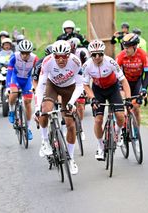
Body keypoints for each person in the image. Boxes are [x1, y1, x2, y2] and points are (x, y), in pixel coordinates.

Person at [35, 40, 84, 175]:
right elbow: (40, 86)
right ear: (53, 55)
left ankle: (71, 158)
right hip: (53, 86)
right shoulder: (47, 62)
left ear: (69, 55)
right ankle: (45, 141)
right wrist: (38, 106)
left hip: (70, 88)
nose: (61, 59)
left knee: (71, 125)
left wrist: (72, 102)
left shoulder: (76, 62)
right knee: (45, 111)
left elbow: (80, 86)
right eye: (57, 56)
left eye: (64, 56)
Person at [83, 40, 131, 160]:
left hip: (113, 89)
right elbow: (85, 85)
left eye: (100, 54)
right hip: (98, 91)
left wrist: (128, 98)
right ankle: (100, 146)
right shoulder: (87, 65)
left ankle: (118, 132)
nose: (97, 57)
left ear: (103, 53)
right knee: (98, 120)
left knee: (120, 116)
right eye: (94, 54)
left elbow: (123, 81)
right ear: (90, 54)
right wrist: (92, 98)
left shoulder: (110, 62)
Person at [6, 40, 38, 139]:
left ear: (30, 52)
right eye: (22, 53)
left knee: (28, 102)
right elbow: (9, 72)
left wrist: (35, 86)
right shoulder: (14, 57)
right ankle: (11, 111)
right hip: (15, 79)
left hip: (27, 80)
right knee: (14, 93)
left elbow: (38, 73)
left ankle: (27, 128)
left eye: (27, 53)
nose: (24, 55)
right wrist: (8, 86)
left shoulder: (34, 58)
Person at [116, 33, 148, 126]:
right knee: (124, 104)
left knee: (136, 108)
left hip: (137, 82)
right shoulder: (121, 56)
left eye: (127, 47)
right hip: (124, 81)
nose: (125, 49)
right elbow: (114, 73)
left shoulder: (143, 55)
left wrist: (144, 88)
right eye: (124, 47)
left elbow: (147, 74)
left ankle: (136, 131)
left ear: (135, 46)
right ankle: (121, 126)